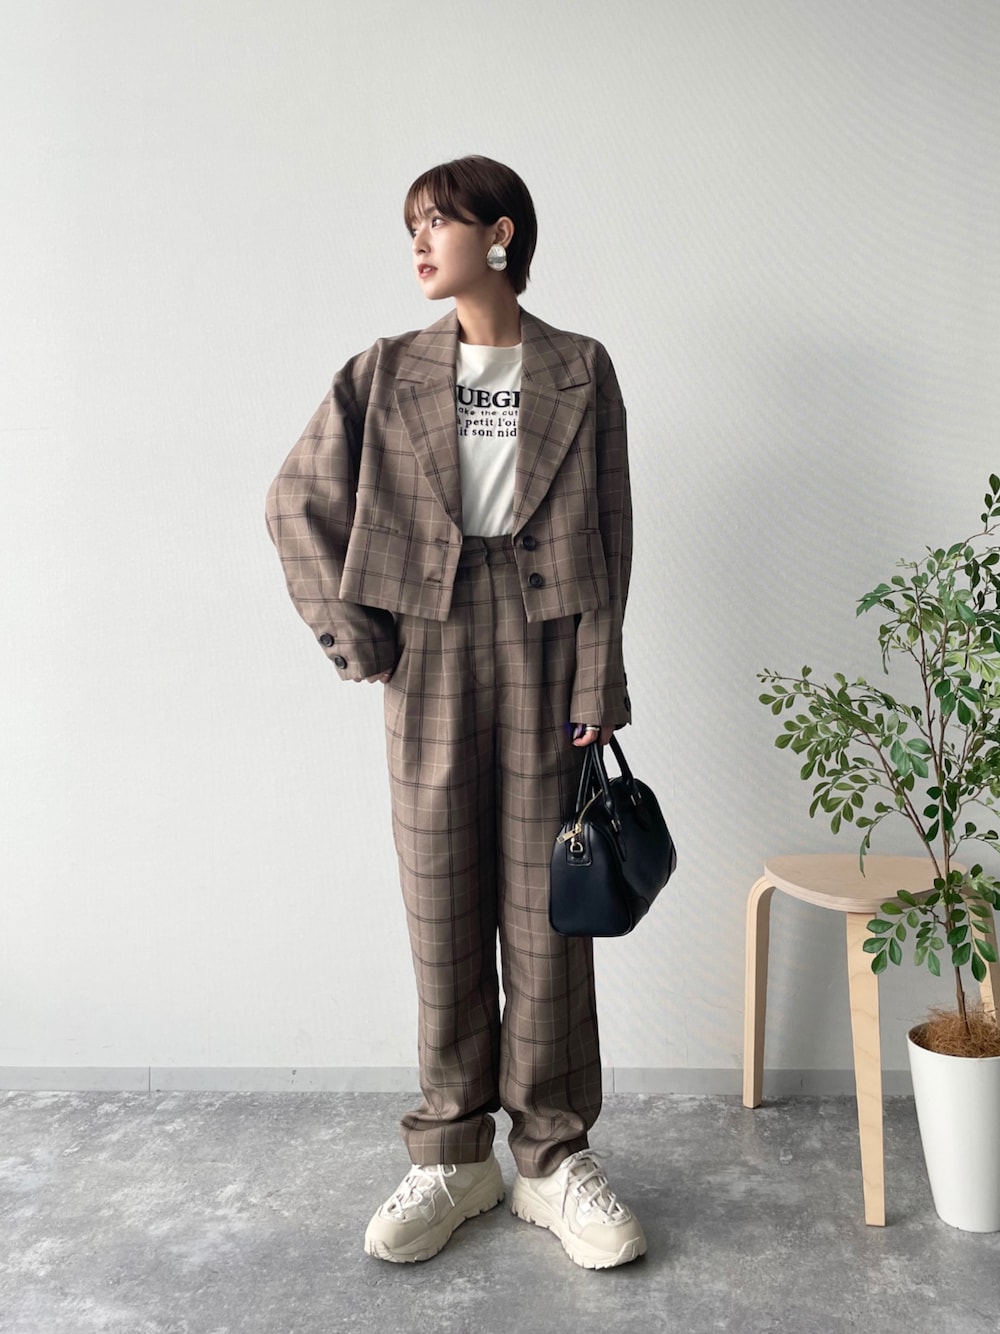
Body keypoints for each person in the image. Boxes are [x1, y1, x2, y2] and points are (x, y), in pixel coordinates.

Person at [265, 155, 643, 1270]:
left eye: (439, 222)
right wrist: (357, 635)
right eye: (413, 228)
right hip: (427, 645)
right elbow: (294, 500)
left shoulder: (579, 368)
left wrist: (597, 681)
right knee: (441, 905)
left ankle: (552, 1157)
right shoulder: (383, 371)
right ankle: (452, 1153)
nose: (420, 244)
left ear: (502, 234)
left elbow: (611, 535)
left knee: (546, 912)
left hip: (546, 641)